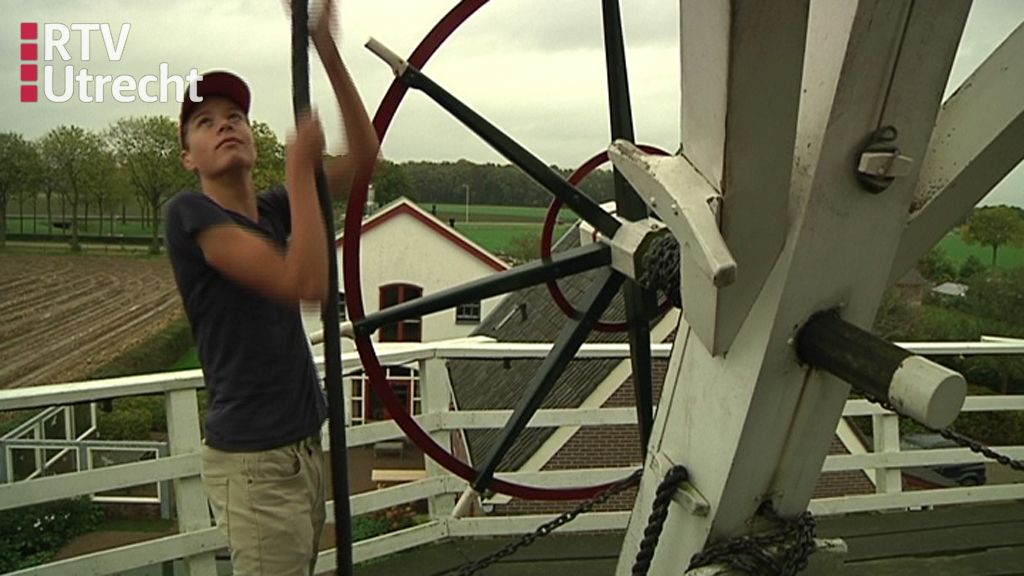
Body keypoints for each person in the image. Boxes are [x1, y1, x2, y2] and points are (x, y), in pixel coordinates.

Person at [163, 2, 377, 574]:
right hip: (255, 464)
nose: (225, 124)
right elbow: (306, 284)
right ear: (187, 158)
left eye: (235, 115)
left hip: (302, 447)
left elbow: (364, 157)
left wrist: (325, 46)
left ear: (252, 139)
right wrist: (299, 173)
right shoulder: (190, 216)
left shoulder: (277, 209)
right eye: (205, 122)